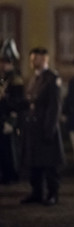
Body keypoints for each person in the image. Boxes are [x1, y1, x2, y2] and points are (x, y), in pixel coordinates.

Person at [20, 47, 64, 206]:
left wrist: (49, 129)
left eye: (36, 59)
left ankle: (53, 193)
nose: (32, 62)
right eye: (32, 59)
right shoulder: (35, 78)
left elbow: (54, 106)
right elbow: (29, 100)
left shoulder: (52, 79)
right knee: (35, 163)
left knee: (50, 164)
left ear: (45, 59)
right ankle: (37, 192)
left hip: (46, 127)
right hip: (33, 128)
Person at [0, 39, 24, 185]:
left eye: (6, 61)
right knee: (3, 149)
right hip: (3, 116)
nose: (3, 64)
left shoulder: (15, 79)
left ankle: (12, 174)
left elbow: (17, 101)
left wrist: (11, 120)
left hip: (10, 117)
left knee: (11, 148)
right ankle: (6, 173)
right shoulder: (4, 78)